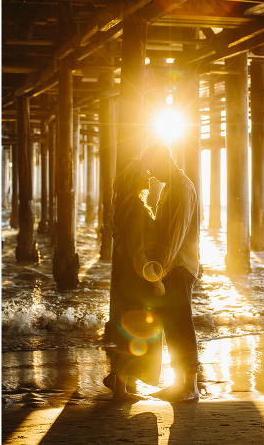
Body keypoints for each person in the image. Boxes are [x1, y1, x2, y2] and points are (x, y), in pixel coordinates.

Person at [142, 143, 201, 403]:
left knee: (182, 324)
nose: (151, 175)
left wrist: (161, 270)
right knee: (171, 326)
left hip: (179, 267)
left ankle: (191, 387)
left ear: (164, 159)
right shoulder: (169, 187)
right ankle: (179, 383)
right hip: (170, 267)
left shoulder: (183, 187)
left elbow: (176, 234)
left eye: (152, 168)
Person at [104, 158, 165, 402]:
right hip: (135, 280)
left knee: (129, 332)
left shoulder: (124, 206)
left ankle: (118, 382)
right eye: (144, 172)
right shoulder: (137, 210)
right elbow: (138, 252)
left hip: (124, 279)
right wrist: (154, 279)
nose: (149, 175)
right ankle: (120, 390)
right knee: (137, 333)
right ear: (135, 178)